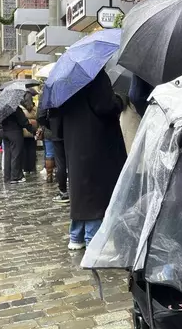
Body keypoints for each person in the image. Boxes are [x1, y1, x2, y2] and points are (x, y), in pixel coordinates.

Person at [58, 70, 127, 250]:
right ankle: (94, 241)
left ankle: (76, 236)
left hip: (74, 140)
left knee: (80, 189)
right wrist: (119, 100)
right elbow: (105, 106)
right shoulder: (96, 76)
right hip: (96, 141)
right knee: (96, 192)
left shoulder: (67, 80)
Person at [0, 104, 35, 184]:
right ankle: (16, 176)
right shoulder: (15, 107)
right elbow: (23, 121)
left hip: (5, 132)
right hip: (15, 132)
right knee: (16, 154)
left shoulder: (2, 108)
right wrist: (31, 129)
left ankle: (7, 176)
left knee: (8, 156)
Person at [20, 95, 38, 175]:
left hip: (23, 131)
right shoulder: (35, 108)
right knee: (32, 150)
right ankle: (32, 168)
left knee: (24, 150)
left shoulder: (21, 108)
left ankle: (25, 168)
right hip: (32, 131)